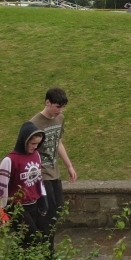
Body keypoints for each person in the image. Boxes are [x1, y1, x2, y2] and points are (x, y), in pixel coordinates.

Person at [30, 87, 77, 248]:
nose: (60, 110)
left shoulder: (60, 119)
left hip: (55, 172)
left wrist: (69, 166)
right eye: (58, 106)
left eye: (63, 106)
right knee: (47, 214)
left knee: (57, 211)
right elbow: (28, 151)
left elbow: (58, 142)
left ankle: (41, 248)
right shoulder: (34, 124)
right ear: (47, 102)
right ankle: (47, 253)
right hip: (41, 174)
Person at [0, 123, 48, 249]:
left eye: (38, 144)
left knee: (31, 240)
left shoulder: (36, 155)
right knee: (33, 237)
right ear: (24, 140)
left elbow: (38, 179)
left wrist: (43, 198)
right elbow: (0, 188)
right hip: (17, 207)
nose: (35, 147)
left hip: (33, 203)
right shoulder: (9, 160)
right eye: (32, 144)